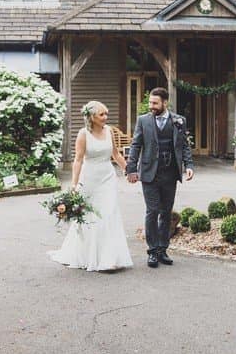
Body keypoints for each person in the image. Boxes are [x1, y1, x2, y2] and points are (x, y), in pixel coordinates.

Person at [48, 101, 133, 272]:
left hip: (108, 177)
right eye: (102, 114)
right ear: (92, 117)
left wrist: (128, 171)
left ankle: (109, 258)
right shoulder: (83, 134)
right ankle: (88, 255)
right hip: (90, 179)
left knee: (109, 214)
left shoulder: (109, 131)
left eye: (106, 114)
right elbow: (78, 160)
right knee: (90, 217)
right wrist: (74, 184)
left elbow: (115, 154)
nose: (105, 117)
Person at [126, 87, 195, 268]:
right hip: (150, 173)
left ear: (165, 103)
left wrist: (189, 166)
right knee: (152, 211)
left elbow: (184, 146)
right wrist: (131, 169)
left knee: (166, 212)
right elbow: (135, 145)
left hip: (170, 174)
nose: (151, 106)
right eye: (150, 102)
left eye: (155, 103)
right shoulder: (143, 121)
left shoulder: (179, 120)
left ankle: (163, 249)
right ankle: (152, 251)